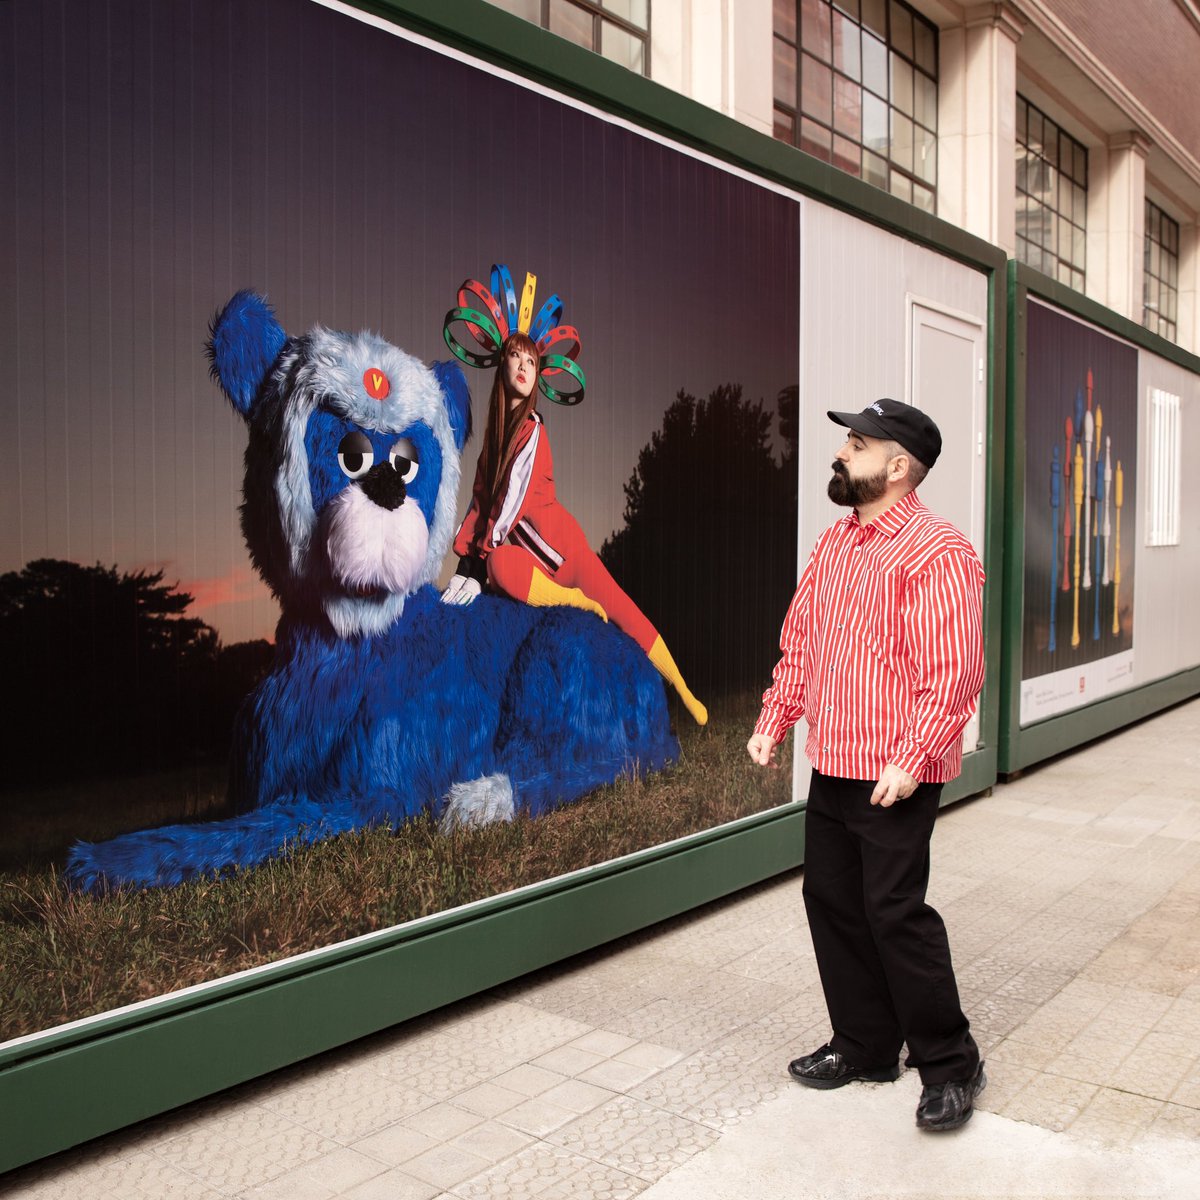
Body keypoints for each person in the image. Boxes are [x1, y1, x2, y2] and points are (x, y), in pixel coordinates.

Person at [747, 398, 986, 1132]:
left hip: (898, 769)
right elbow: (805, 643)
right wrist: (775, 717)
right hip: (837, 760)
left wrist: (914, 758)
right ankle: (866, 1045)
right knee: (833, 901)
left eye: (857, 443)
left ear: (898, 466)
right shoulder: (834, 546)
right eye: (847, 442)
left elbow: (955, 670)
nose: (842, 453)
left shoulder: (938, 552)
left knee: (894, 912)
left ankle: (949, 1061)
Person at [440, 263, 707, 726]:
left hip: (562, 549)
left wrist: (479, 565)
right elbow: (480, 502)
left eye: (532, 362)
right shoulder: (493, 441)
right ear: (500, 362)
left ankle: (682, 690)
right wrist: (463, 557)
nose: (524, 368)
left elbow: (509, 509)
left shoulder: (534, 431)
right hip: (529, 559)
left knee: (621, 608)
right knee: (501, 565)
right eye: (516, 358)